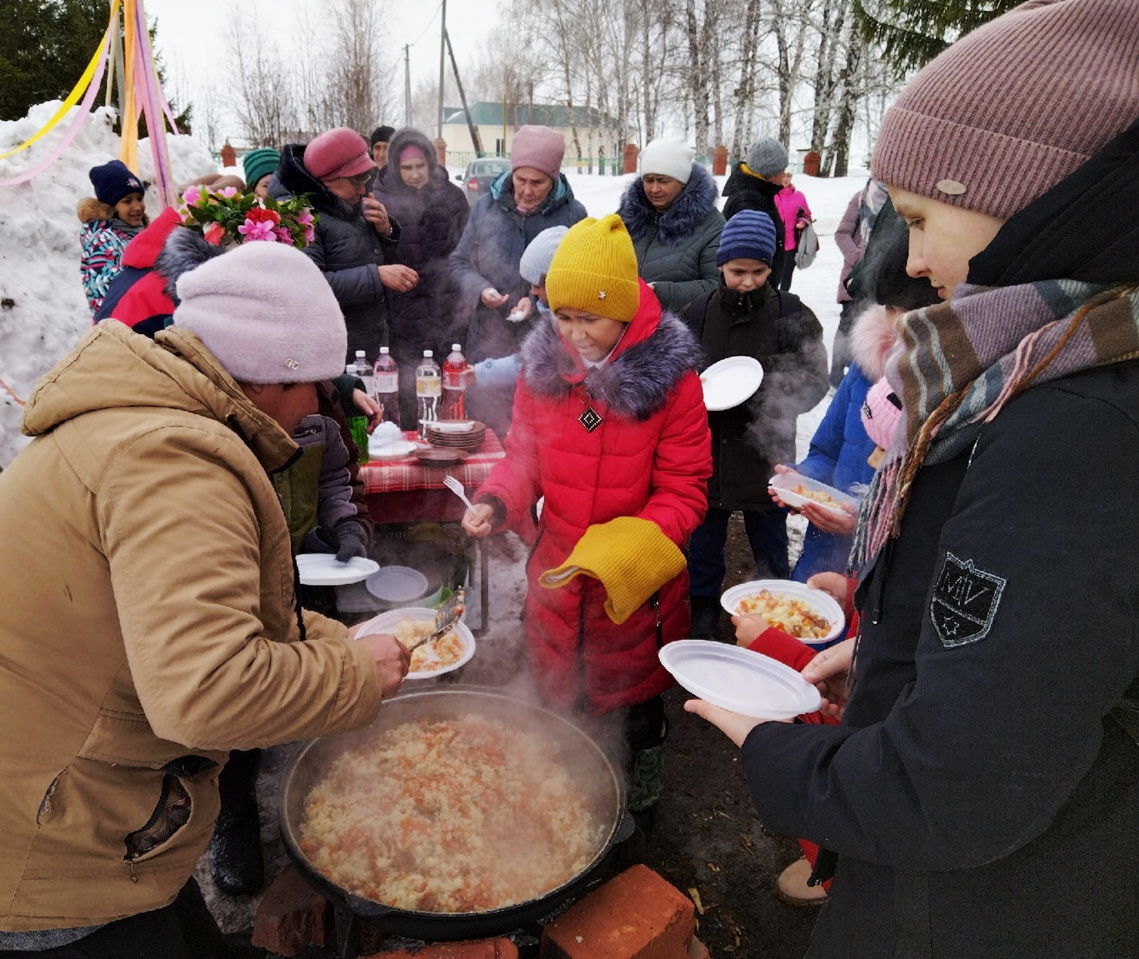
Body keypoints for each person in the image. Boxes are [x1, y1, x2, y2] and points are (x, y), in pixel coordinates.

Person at [687, 2, 1139, 956]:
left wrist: (772, 750)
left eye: (924, 217)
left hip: (983, 912)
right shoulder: (1045, 369)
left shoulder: (1073, 421)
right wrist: (897, 638)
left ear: (1032, 196)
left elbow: (958, 790)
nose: (918, 261)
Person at [0, 241, 410, 956]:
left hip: (79, 800)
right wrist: (355, 674)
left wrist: (331, 641)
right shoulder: (171, 461)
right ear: (267, 372)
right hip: (49, 850)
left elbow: (211, 619)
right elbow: (206, 692)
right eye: (312, 380)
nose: (316, 401)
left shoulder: (135, 420)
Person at [461, 214, 711, 813]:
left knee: (635, 704)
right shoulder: (542, 373)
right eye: (562, 317)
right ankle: (568, 789)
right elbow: (524, 454)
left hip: (635, 585)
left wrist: (628, 549)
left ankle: (642, 778)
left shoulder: (672, 385)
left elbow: (686, 489)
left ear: (626, 313)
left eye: (590, 319)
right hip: (559, 571)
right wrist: (498, 498)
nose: (574, 335)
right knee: (561, 695)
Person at [683, 210, 828, 639]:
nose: (746, 281)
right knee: (704, 543)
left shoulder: (790, 313)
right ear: (721, 266)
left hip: (767, 454)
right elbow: (679, 370)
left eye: (758, 271)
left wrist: (767, 394)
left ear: (772, 268)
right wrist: (697, 391)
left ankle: (777, 615)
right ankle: (703, 610)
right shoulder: (698, 312)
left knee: (770, 540)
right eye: (737, 271)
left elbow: (814, 377)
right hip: (707, 450)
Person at [774, 218, 940, 582]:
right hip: (823, 555)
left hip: (885, 577)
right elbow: (827, 451)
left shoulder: (947, 394)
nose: (897, 325)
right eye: (890, 308)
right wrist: (804, 480)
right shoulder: (865, 369)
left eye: (910, 311)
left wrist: (862, 520)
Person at [449, 124, 587, 435]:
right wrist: (481, 288)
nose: (526, 190)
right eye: (520, 179)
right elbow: (458, 263)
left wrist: (537, 298)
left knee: (538, 434)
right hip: (488, 338)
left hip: (548, 344)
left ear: (553, 180)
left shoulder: (573, 215)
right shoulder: (486, 206)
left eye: (537, 183)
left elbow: (584, 282)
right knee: (486, 430)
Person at [273, 126, 418, 363]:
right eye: (356, 180)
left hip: (366, 343)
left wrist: (385, 230)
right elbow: (309, 285)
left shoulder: (345, 201)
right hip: (331, 354)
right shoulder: (297, 214)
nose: (363, 189)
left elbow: (365, 255)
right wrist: (377, 276)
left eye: (365, 179)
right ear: (328, 178)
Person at [371, 127, 470, 427]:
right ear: (395, 168)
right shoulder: (380, 198)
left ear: (430, 162)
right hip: (401, 311)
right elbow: (376, 255)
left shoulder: (452, 197)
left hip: (446, 309)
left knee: (448, 388)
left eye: (420, 166)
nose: (414, 174)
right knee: (408, 392)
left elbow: (466, 250)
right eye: (406, 168)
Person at [615, 139, 725, 314]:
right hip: (625, 322)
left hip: (679, 327)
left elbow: (718, 285)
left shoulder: (711, 225)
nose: (654, 189)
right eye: (648, 180)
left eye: (663, 181)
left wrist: (659, 292)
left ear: (682, 181)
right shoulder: (627, 216)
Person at [78, 159, 148, 315]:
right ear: (110, 208)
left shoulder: (135, 233)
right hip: (119, 327)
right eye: (127, 201)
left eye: (139, 198)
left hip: (143, 319)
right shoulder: (103, 241)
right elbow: (105, 289)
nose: (137, 207)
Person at [720, 136, 788, 278]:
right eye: (782, 169)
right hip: (754, 290)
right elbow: (748, 262)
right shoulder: (748, 203)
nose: (784, 174)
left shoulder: (758, 193)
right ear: (771, 172)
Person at [772, 172, 813, 292]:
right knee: (773, 273)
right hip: (774, 241)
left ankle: (783, 298)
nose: (786, 179)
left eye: (788, 176)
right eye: (783, 176)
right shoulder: (772, 195)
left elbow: (807, 214)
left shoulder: (799, 196)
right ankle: (771, 298)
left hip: (791, 242)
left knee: (787, 273)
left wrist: (802, 222)